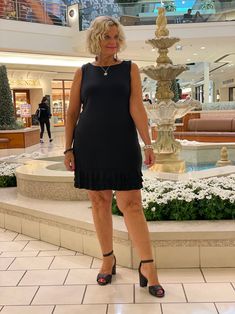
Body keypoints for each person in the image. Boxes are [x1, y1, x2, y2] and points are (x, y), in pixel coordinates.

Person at [64, 16, 164, 298]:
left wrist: (148, 143)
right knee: (99, 201)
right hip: (89, 144)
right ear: (96, 39)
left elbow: (137, 108)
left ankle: (148, 266)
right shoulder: (82, 72)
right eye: (107, 37)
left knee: (131, 204)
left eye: (116, 37)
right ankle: (108, 258)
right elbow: (72, 113)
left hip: (122, 143)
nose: (112, 42)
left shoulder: (130, 69)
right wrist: (68, 148)